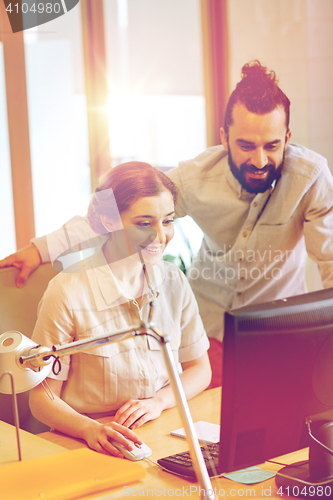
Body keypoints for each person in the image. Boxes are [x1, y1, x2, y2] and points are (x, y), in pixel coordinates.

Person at [1, 61, 333, 388]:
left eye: (272, 146)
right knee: (209, 433)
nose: (260, 160)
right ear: (224, 136)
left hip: (277, 335)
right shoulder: (197, 177)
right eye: (246, 145)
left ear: (287, 136)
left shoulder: (311, 178)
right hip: (210, 333)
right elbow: (119, 210)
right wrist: (39, 249)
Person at [28, 162, 211, 457]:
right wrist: (88, 429)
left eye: (167, 221)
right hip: (87, 441)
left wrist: (158, 402)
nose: (161, 236)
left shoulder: (173, 279)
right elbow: (42, 397)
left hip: (158, 429)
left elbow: (200, 368)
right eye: (144, 223)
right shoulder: (67, 290)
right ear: (109, 220)